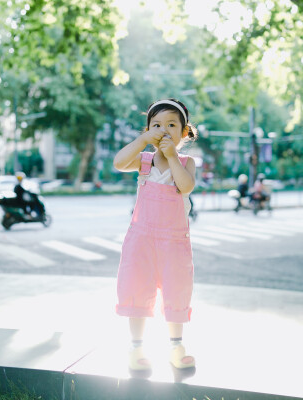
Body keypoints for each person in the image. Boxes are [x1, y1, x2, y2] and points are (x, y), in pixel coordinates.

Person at [113, 98, 198, 373]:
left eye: (172, 124)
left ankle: (176, 346)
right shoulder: (144, 161)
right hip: (142, 241)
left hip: (174, 242)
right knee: (137, 289)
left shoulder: (186, 162)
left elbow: (185, 187)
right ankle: (136, 348)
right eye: (157, 124)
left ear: (184, 133)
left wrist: (172, 156)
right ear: (148, 129)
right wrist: (141, 141)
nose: (164, 129)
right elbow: (118, 163)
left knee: (176, 291)